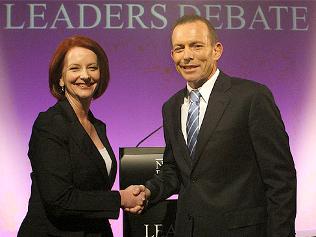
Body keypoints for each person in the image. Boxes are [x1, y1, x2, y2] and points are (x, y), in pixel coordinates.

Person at [142, 15, 297, 237]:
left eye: (196, 46)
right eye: (179, 48)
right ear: (172, 55)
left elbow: (280, 179)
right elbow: (174, 171)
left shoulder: (252, 97)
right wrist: (148, 192)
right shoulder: (171, 106)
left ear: (216, 50)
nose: (187, 56)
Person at [18, 35, 145, 237]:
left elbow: (94, 188)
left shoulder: (98, 126)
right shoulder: (50, 124)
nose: (85, 75)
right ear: (60, 78)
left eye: (92, 68)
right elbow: (60, 200)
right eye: (75, 68)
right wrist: (120, 199)